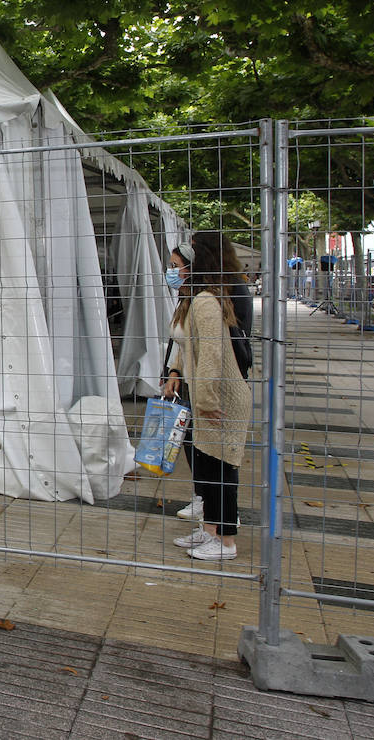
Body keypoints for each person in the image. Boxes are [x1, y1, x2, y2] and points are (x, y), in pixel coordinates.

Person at [166, 231, 252, 561]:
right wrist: (175, 372)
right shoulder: (195, 298)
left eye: (176, 265)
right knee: (206, 467)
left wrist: (206, 401)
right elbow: (188, 345)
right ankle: (211, 530)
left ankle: (226, 542)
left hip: (219, 398)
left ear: (193, 266)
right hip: (206, 395)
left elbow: (213, 355)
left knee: (221, 471)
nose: (171, 271)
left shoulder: (204, 301)